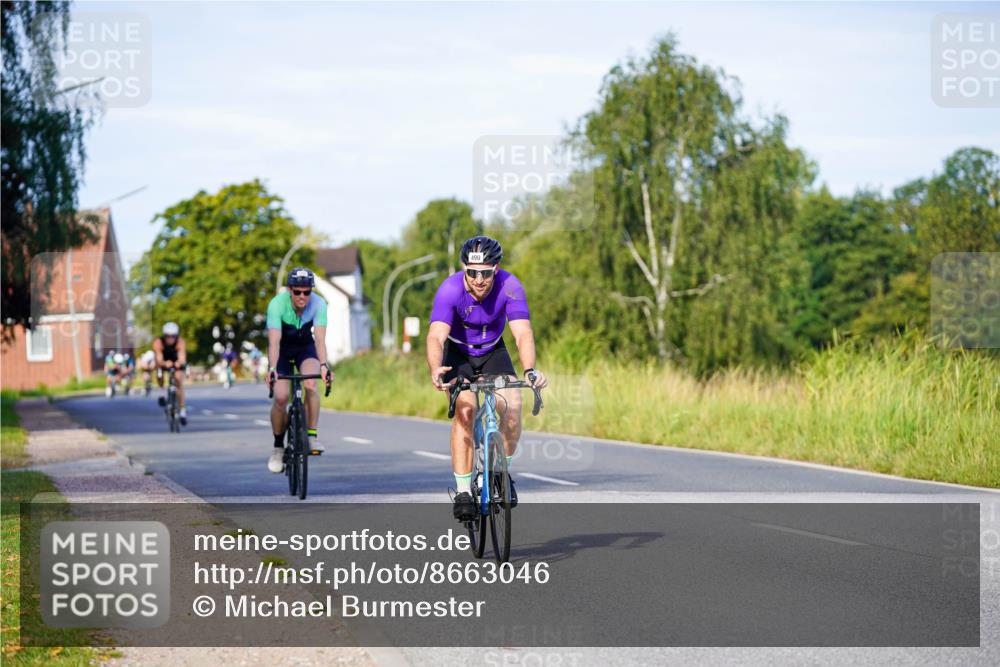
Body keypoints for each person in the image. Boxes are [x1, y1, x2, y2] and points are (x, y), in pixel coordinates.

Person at [425, 235, 548, 522]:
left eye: (486, 273)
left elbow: (523, 333)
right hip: (458, 354)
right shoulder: (450, 290)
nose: (479, 280)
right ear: (464, 268)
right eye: (472, 272)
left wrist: (529, 370)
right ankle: (463, 491)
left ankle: (499, 473)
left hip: (493, 351)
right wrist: (435, 367)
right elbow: (436, 336)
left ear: (496, 268)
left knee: (513, 406)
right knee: (465, 412)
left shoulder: (510, 285)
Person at [264, 268, 333, 473]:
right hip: (282, 350)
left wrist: (324, 365)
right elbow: (274, 342)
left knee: (311, 384)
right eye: (297, 292)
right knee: (281, 397)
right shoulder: (277, 304)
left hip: (305, 348)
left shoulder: (319, 304)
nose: (302, 296)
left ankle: (311, 437)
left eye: (307, 291)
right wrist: (272, 368)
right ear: (289, 290)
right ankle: (278, 447)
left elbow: (319, 340)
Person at [153, 322, 188, 425]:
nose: (170, 339)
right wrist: (164, 363)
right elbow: (158, 358)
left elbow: (182, 356)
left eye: (173, 336)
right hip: (164, 360)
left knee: (178, 380)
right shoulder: (158, 342)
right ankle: (161, 393)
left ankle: (182, 411)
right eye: (168, 336)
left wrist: (179, 363)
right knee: (159, 373)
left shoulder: (180, 342)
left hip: (175, 360)